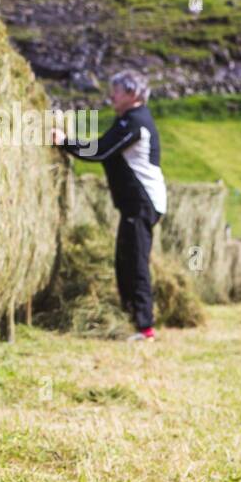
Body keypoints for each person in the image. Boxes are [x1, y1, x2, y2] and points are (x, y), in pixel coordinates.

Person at [53, 70, 166, 341]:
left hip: (142, 201)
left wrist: (65, 143)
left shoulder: (135, 122)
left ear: (132, 93)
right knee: (124, 261)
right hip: (136, 204)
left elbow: (102, 150)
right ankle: (133, 320)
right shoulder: (128, 120)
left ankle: (144, 327)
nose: (111, 96)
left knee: (135, 263)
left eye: (115, 90)